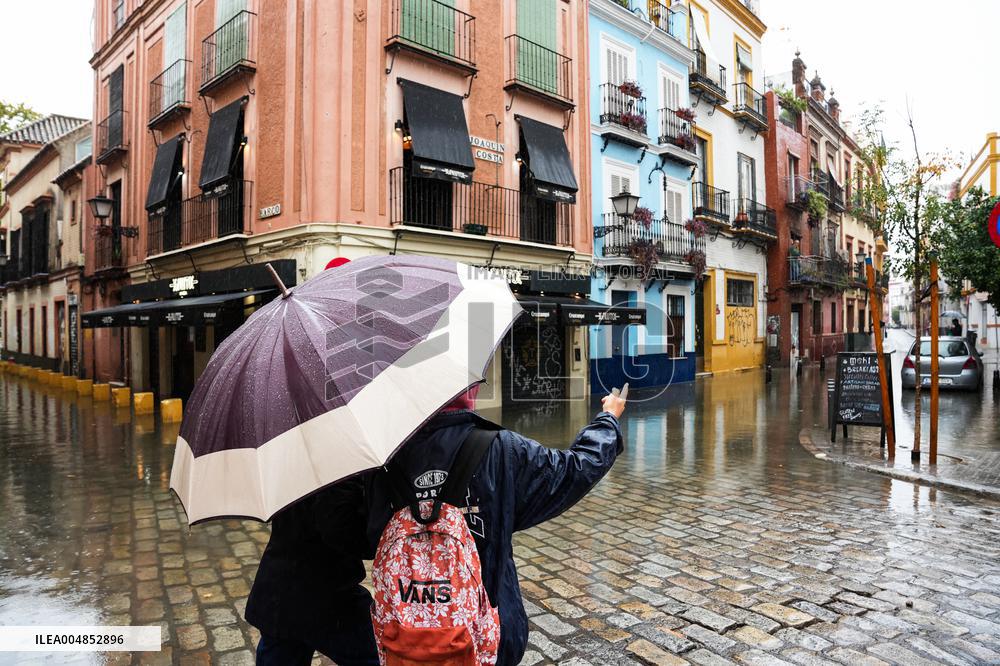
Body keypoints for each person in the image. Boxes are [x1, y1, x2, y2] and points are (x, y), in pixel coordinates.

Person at [363, 386, 626, 666]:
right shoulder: (501, 449)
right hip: (491, 632)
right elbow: (573, 470)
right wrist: (608, 419)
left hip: (405, 637)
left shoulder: (380, 462)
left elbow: (362, 538)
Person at [246, 478, 379, 666]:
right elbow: (339, 527)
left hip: (281, 594)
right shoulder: (334, 471)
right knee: (377, 656)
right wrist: (377, 541)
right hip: (326, 594)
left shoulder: (290, 465)